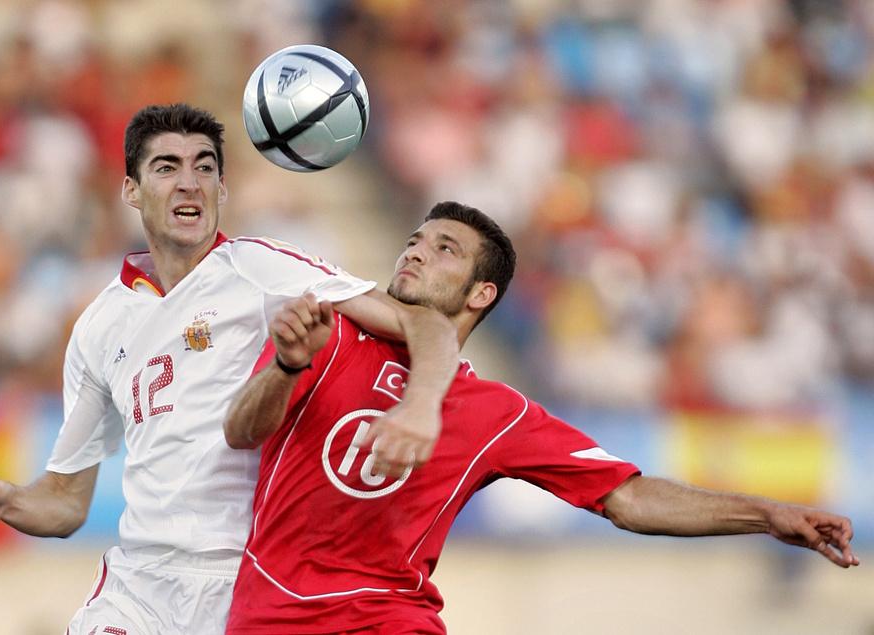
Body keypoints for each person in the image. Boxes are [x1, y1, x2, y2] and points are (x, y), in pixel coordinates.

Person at [222, 201, 860, 635]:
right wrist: (283, 367)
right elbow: (241, 432)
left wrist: (765, 514)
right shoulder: (330, 334)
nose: (414, 253)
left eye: (444, 249)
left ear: (481, 294)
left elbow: (627, 497)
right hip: (266, 616)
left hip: (387, 619)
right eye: (414, 241)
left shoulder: (495, 412)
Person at [0, 104, 460, 635]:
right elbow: (66, 502)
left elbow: (424, 325)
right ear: (131, 191)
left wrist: (420, 406)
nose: (189, 183)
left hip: (249, 585)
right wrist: (10, 500)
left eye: (205, 166)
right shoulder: (99, 323)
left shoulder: (261, 267)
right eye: (167, 167)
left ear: (222, 189)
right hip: (138, 588)